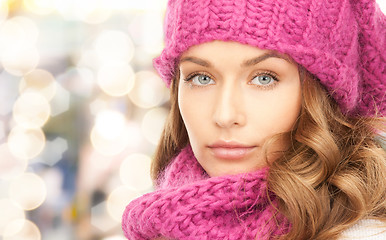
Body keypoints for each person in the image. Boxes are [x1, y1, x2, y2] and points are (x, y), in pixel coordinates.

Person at [122, 0, 386, 239]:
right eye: (201, 78)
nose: (225, 116)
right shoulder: (160, 222)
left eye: (264, 78)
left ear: (323, 94)